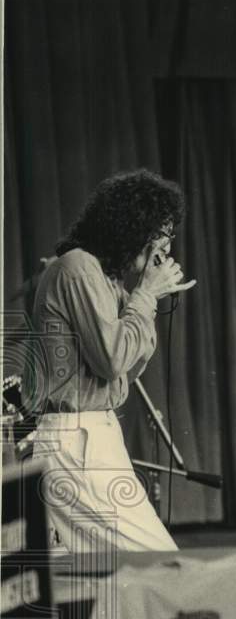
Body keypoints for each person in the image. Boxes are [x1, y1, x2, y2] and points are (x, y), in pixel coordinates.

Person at [28, 169, 196, 553]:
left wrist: (144, 299)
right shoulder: (78, 267)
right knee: (158, 563)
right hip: (77, 440)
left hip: (94, 437)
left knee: (120, 581)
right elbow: (114, 359)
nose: (166, 249)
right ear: (132, 227)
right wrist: (147, 297)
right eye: (163, 234)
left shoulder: (109, 281)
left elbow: (126, 371)